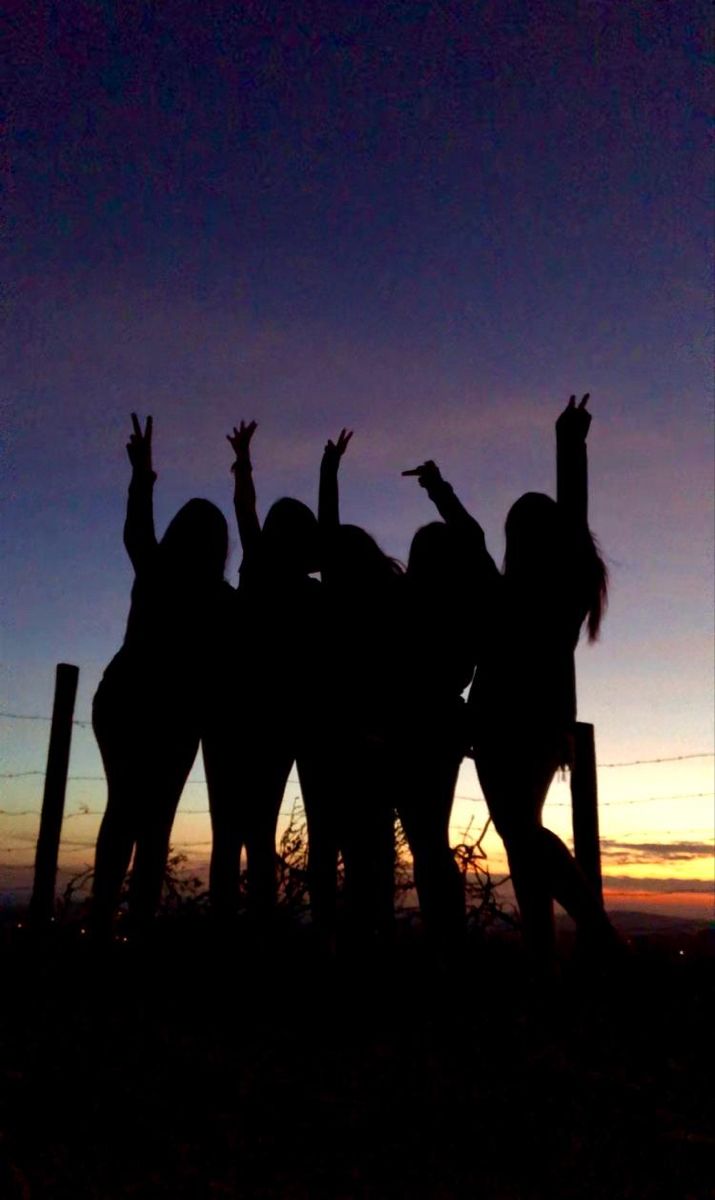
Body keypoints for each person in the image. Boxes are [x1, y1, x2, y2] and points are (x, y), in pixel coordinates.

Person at [404, 395, 616, 969]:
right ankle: (543, 954)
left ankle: (594, 927)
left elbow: (487, 534)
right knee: (523, 840)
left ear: (520, 538)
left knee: (522, 833)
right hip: (530, 729)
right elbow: (550, 524)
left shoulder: (530, 592)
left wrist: (570, 444)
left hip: (503, 729)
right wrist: (570, 444)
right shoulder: (558, 591)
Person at [91, 415, 232, 941]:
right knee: (151, 825)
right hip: (166, 715)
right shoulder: (217, 599)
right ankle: (133, 932)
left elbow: (136, 531)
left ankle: (105, 926)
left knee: (124, 814)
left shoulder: (156, 570)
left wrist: (143, 476)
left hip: (126, 701)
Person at [203, 420, 327, 932]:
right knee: (257, 835)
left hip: (232, 714)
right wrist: (244, 462)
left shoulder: (259, 568)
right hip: (276, 724)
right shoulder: (310, 595)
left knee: (230, 838)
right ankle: (255, 940)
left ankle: (229, 941)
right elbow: (247, 511)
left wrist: (244, 461)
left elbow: (245, 511)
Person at [318, 430, 403, 952]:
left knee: (349, 846)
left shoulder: (341, 602)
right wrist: (330, 470)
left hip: (348, 739)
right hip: (382, 741)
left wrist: (329, 470)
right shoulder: (394, 601)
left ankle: (350, 946)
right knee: (376, 849)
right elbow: (330, 533)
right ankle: (377, 943)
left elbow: (327, 533)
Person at [392, 520, 477, 955]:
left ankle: (440, 945)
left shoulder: (398, 602)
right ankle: (448, 945)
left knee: (420, 842)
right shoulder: (462, 609)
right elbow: (465, 671)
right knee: (432, 842)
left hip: (404, 730)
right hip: (442, 728)